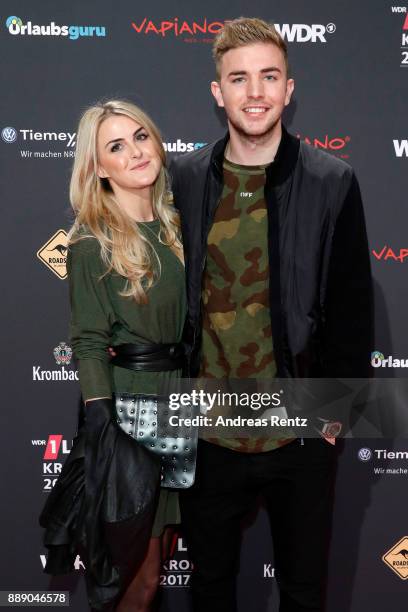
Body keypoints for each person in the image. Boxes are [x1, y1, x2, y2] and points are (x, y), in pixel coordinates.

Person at [170, 17, 372, 612]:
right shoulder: (184, 180)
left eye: (268, 76)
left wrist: (332, 413)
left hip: (299, 430)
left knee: (304, 593)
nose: (254, 92)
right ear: (218, 93)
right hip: (207, 431)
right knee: (209, 591)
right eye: (239, 78)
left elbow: (351, 303)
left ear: (289, 89)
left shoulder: (332, 181)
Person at [42, 100, 186, 611]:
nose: (136, 152)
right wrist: (102, 419)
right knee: (134, 580)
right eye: (117, 146)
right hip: (132, 418)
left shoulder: (178, 225)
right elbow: (86, 339)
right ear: (100, 167)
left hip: (184, 409)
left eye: (141, 136)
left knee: (155, 572)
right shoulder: (91, 241)